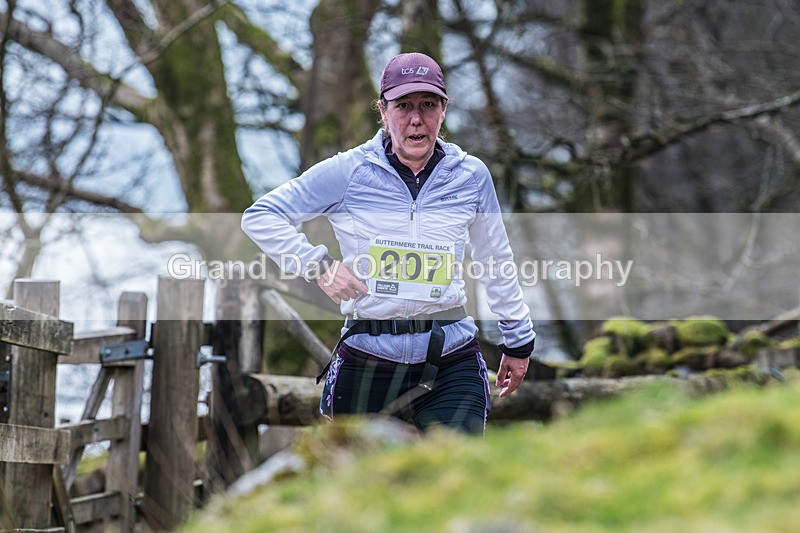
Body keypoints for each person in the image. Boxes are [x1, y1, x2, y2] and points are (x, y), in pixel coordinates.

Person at [241, 52, 535, 434]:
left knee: (456, 479)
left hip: (449, 357)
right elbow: (261, 215)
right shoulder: (349, 171)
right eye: (403, 106)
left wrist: (518, 339)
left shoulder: (470, 176)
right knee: (356, 485)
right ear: (383, 111)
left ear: (444, 110)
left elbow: (495, 259)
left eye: (428, 105)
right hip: (368, 357)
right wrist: (318, 266)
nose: (416, 119)